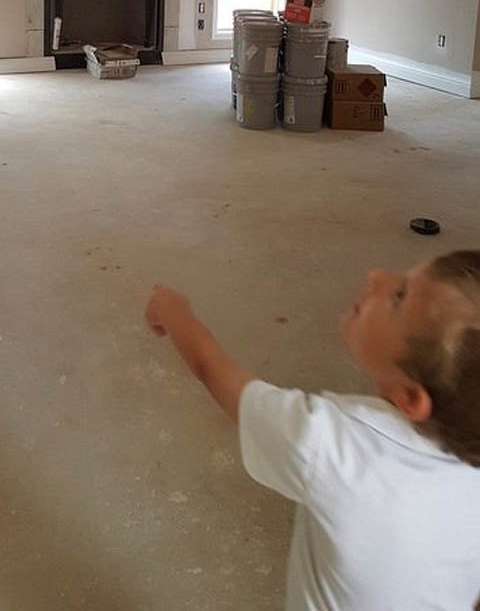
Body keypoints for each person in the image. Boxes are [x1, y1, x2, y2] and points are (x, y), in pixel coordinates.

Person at [145, 251, 480, 611]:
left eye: (399, 296)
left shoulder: (330, 444)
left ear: (412, 397)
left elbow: (211, 366)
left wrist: (171, 310)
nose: (376, 275)